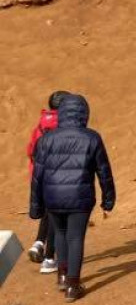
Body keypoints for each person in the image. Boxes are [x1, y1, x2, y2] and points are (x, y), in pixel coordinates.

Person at [29, 94, 116, 302]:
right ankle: (72, 285)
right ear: (84, 113)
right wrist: (108, 199)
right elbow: (104, 171)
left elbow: (37, 176)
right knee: (75, 237)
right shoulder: (92, 137)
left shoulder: (46, 139)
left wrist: (36, 206)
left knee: (60, 234)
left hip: (52, 196)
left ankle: (62, 275)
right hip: (80, 195)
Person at [26, 90, 70, 274]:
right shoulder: (66, 125)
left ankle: (38, 243)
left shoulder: (41, 124)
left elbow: (30, 150)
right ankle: (50, 258)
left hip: (38, 175)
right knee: (56, 216)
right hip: (58, 177)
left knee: (47, 211)